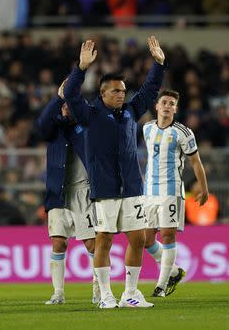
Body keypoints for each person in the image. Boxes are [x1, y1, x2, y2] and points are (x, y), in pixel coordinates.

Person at [64, 36, 165, 309]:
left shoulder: (131, 111)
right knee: (104, 240)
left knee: (138, 238)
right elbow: (71, 94)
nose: (122, 95)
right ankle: (106, 295)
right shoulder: (90, 114)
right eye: (116, 92)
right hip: (105, 189)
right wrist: (81, 68)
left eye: (123, 91)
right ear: (102, 94)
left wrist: (158, 64)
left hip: (132, 187)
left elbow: (150, 89)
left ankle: (130, 293)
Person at [142, 90, 209, 297]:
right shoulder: (147, 129)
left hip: (171, 190)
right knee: (145, 239)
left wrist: (204, 188)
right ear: (157, 106)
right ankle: (173, 270)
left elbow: (195, 161)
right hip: (149, 192)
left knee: (168, 234)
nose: (167, 106)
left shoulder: (183, 132)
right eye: (164, 102)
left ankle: (161, 286)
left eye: (172, 103)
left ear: (176, 109)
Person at [36, 79, 97, 305]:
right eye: (63, 106)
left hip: (84, 192)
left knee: (91, 244)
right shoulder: (54, 129)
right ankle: (58, 293)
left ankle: (99, 290)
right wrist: (58, 96)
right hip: (58, 192)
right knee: (58, 243)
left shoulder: (87, 128)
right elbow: (41, 124)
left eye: (70, 105)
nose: (66, 109)